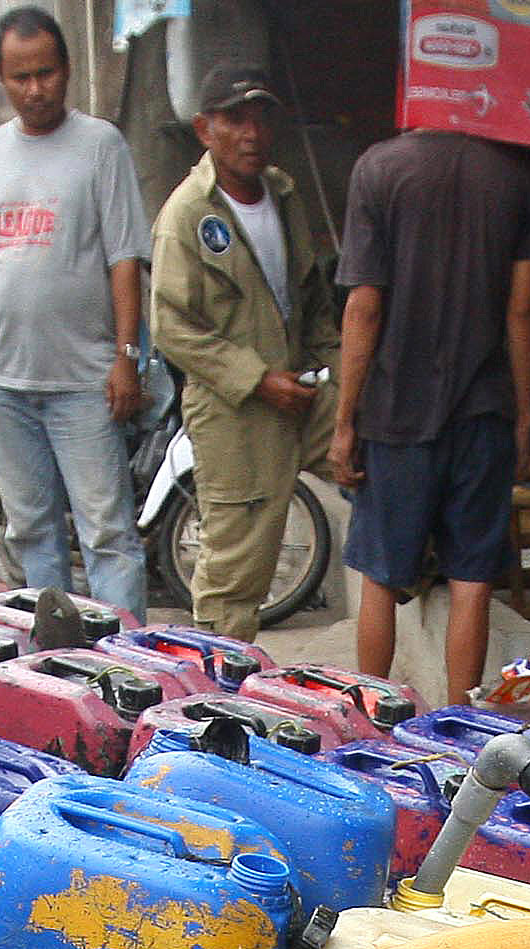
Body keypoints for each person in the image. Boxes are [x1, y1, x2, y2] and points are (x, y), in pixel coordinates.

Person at [0, 6, 151, 622]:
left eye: (46, 73)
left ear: (67, 70)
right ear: (2, 80)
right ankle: (55, 658)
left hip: (86, 384)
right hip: (7, 384)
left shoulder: (100, 146)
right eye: (21, 77)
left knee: (107, 534)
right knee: (32, 533)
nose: (35, 89)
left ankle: (125, 658)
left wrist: (126, 356)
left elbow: (124, 261)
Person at [330, 124, 530, 703]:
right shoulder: (518, 179)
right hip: (484, 412)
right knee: (472, 581)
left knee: (381, 577)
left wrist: (345, 420)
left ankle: (371, 716)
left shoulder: (379, 168)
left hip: (395, 412)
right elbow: (523, 308)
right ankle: (460, 724)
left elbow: (364, 306)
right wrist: (524, 413)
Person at [148, 63, 337, 642]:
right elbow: (171, 328)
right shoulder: (187, 214)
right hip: (235, 411)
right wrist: (258, 380)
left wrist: (339, 376)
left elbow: (311, 296)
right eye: (235, 120)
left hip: (301, 388)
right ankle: (218, 683)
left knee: (382, 456)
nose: (251, 133)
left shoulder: (283, 194)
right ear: (205, 129)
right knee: (235, 575)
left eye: (260, 118)